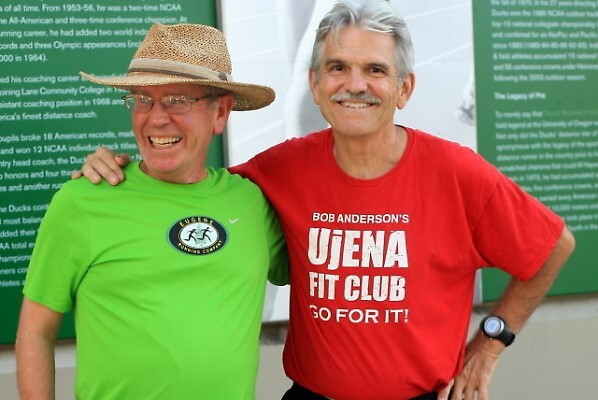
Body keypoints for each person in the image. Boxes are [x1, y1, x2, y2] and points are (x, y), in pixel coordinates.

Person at [75, 1, 575, 399]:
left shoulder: (457, 173)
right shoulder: (280, 169)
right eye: (337, 67)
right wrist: (121, 167)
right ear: (314, 84)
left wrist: (490, 343)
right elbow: (190, 186)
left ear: (404, 89)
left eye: (375, 69)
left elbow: (553, 246)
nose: (355, 85)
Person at [16, 23, 288, 400]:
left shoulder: (251, 203)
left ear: (221, 113)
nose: (156, 118)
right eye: (142, 99)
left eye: (177, 100)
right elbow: (35, 330)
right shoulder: (83, 200)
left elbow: (325, 271)